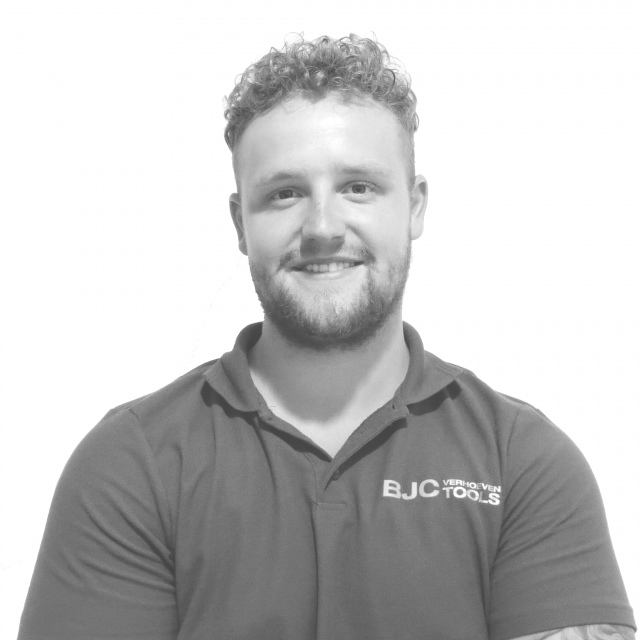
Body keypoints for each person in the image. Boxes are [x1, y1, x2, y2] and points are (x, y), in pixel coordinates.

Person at [18, 34, 635, 640]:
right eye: (284, 194)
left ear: (415, 206)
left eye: (358, 187)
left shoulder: (522, 461)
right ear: (240, 223)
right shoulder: (131, 465)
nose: (322, 227)